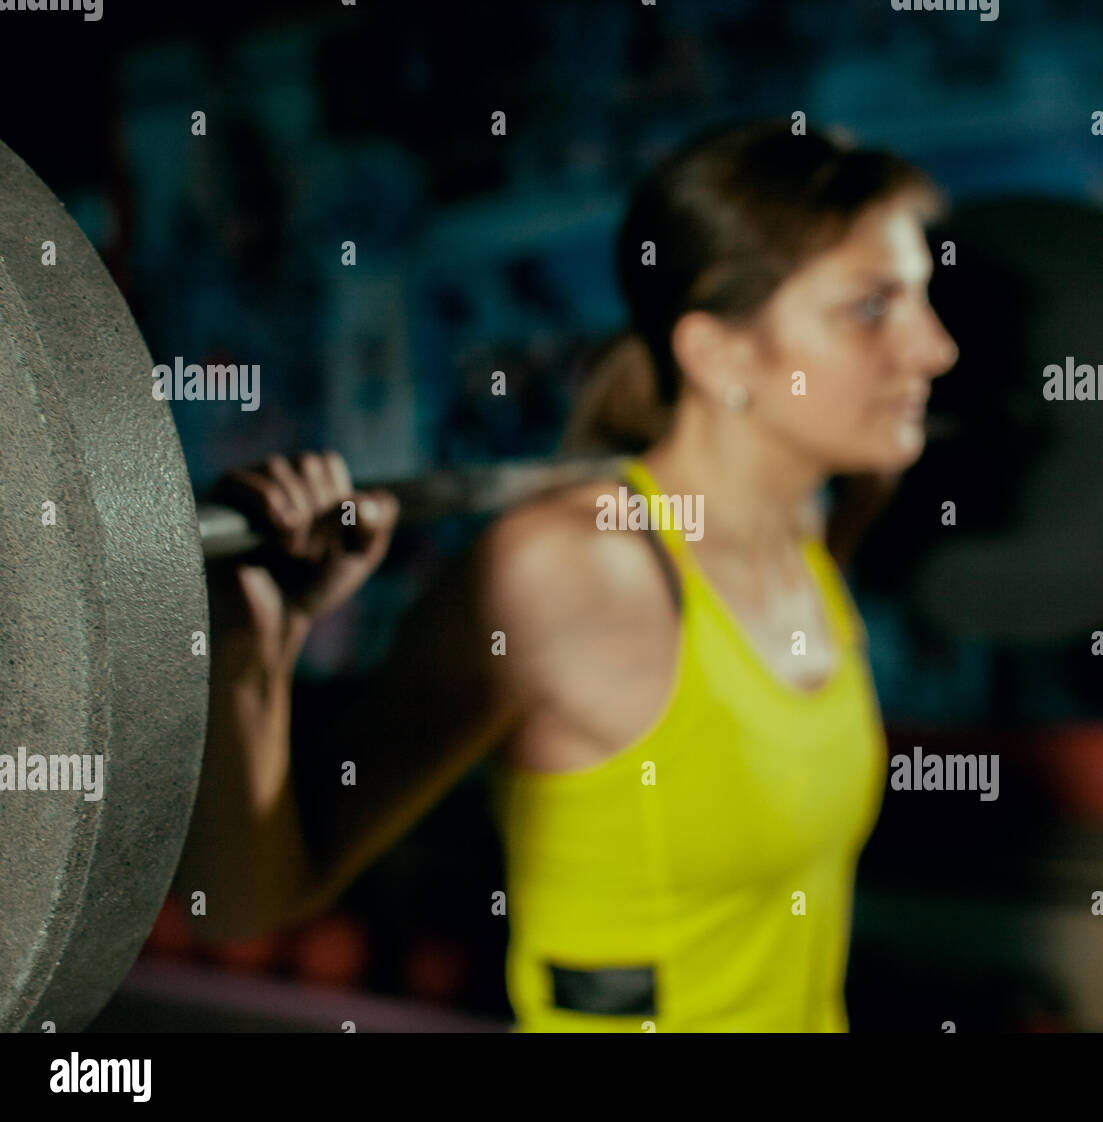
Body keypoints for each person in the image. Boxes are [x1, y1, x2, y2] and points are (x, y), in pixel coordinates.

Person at [177, 116, 959, 1032]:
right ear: (717, 353)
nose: (934, 347)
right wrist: (249, 651)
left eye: (922, 298)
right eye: (871, 307)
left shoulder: (809, 531)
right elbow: (241, 908)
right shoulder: (565, 575)